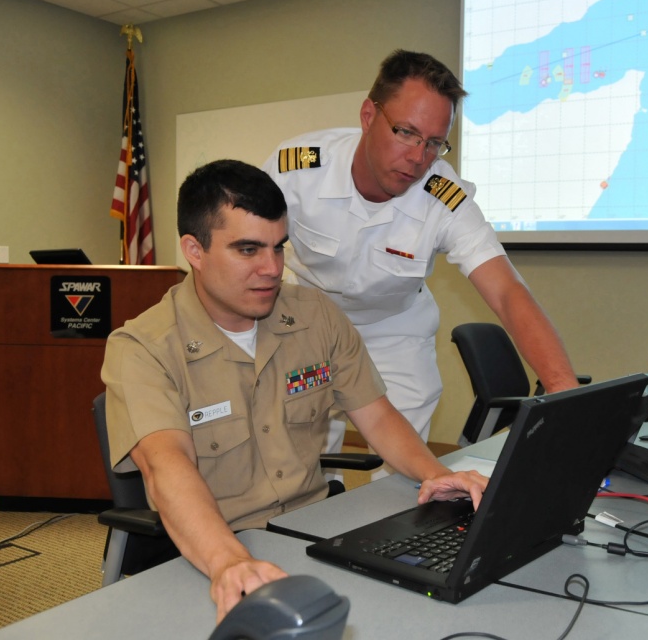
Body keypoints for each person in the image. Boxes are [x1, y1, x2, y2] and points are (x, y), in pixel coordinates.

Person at [101, 159, 488, 623]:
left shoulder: (314, 315)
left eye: (278, 248)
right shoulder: (143, 348)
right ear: (194, 250)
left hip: (314, 532)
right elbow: (166, 468)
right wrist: (229, 562)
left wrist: (434, 472)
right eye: (248, 250)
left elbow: (376, 414)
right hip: (217, 549)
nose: (272, 269)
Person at [262, 49, 579, 452]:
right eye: (405, 132)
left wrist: (563, 391)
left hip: (393, 329)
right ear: (368, 116)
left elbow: (505, 291)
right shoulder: (296, 170)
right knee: (302, 457)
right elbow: (239, 245)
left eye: (434, 143)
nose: (417, 158)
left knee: (404, 467)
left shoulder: (443, 198)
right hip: (308, 323)